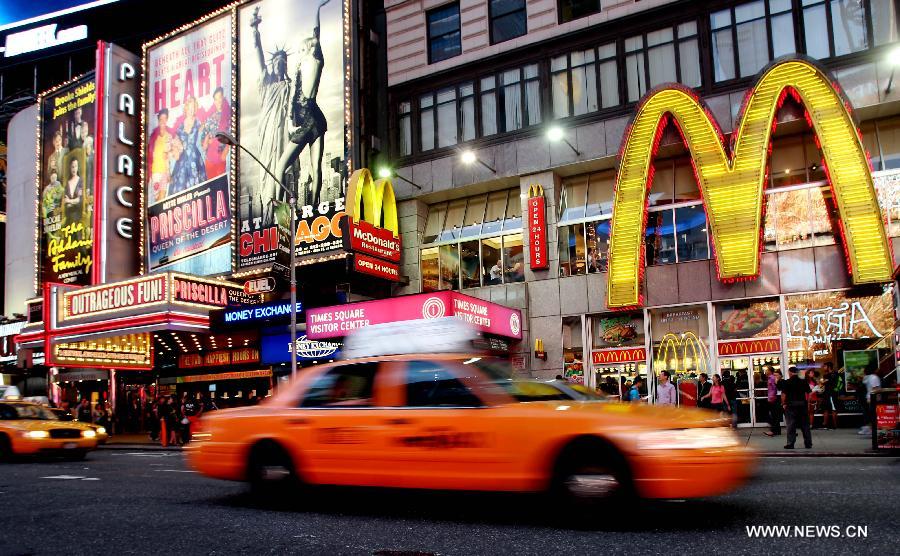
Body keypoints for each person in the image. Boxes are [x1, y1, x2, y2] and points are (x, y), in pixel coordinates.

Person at [272, 0, 332, 208]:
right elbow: (318, 33)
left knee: (280, 166)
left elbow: (293, 101)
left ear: (305, 48)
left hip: (305, 118)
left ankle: (278, 212)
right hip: (317, 116)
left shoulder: (302, 65)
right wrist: (317, 10)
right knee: (316, 166)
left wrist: (290, 122)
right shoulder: (317, 61)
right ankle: (315, 208)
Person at [170, 95, 207, 193]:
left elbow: (204, 140)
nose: (191, 110)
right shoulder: (180, 127)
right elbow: (176, 145)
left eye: (193, 107)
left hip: (195, 159)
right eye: (190, 107)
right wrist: (176, 146)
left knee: (197, 191)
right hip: (182, 163)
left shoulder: (198, 123)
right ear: (186, 108)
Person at [780, 366, 812, 449]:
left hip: (791, 405)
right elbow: (809, 393)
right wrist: (808, 403)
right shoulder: (803, 381)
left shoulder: (787, 382)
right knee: (805, 425)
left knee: (791, 425)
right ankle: (808, 443)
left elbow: (783, 395)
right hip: (802, 405)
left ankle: (790, 443)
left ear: (790, 373)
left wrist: (783, 403)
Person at [149, 109, 174, 202]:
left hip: (164, 171)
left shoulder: (169, 135)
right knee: (157, 199)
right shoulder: (153, 137)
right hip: (155, 172)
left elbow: (172, 153)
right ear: (158, 120)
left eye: (165, 119)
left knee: (162, 196)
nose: (163, 121)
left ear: (167, 120)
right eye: (161, 119)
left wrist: (168, 154)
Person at [858, 368, 882, 435]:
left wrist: (872, 398)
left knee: (873, 414)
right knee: (872, 414)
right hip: (871, 398)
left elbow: (875, 388)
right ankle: (871, 428)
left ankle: (872, 429)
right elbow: (875, 388)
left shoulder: (872, 377)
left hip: (872, 398)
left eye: (863, 372)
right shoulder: (871, 377)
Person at [63, 157, 84, 228]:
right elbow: (65, 200)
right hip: (68, 214)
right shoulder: (67, 183)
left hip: (77, 214)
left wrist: (69, 201)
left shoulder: (81, 181)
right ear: (70, 168)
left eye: (75, 166)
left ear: (78, 167)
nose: (74, 169)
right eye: (72, 167)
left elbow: (79, 200)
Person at [763, 366, 782, 437]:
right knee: (774, 415)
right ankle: (777, 430)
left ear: (770, 371)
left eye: (767, 370)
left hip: (773, 398)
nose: (766, 371)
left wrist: (773, 397)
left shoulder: (772, 378)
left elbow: (774, 388)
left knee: (773, 415)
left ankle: (774, 430)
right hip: (772, 398)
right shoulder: (770, 378)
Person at [821, 362, 839, 430]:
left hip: (831, 394)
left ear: (829, 367)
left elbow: (826, 383)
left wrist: (824, 382)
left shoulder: (832, 374)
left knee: (833, 409)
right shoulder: (831, 374)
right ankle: (826, 424)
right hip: (828, 394)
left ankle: (834, 425)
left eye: (825, 366)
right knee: (826, 409)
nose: (823, 368)